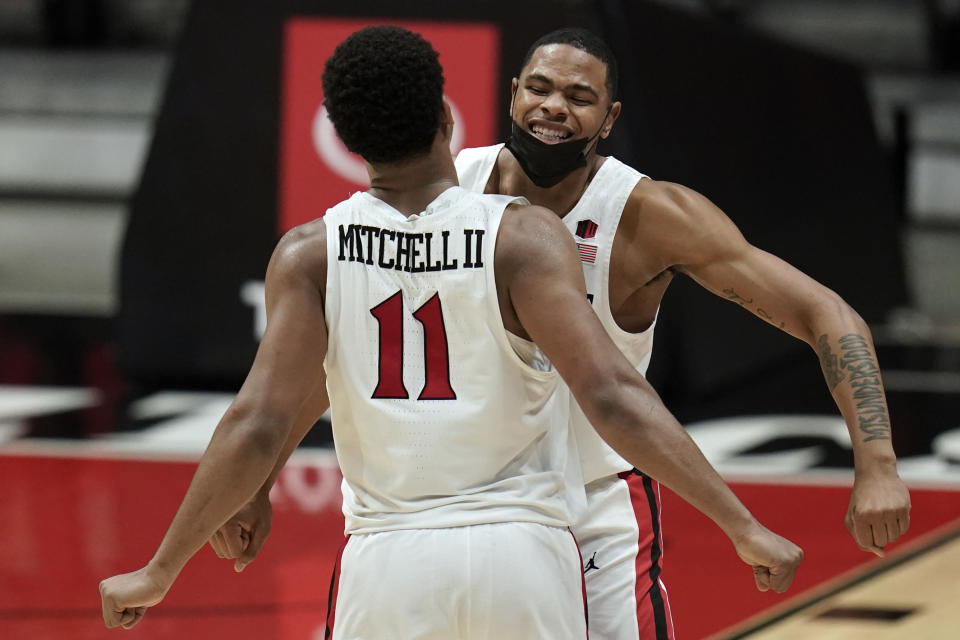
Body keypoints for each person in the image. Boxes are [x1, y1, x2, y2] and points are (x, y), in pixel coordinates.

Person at [99, 26, 803, 636]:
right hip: (523, 552)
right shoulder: (523, 238)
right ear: (445, 115)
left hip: (389, 555)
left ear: (344, 139)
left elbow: (258, 421)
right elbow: (614, 395)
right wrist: (741, 524)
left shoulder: (312, 251)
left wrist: (160, 569)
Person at [451, 27, 912, 639]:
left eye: (579, 97)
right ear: (513, 95)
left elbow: (827, 314)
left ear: (610, 118)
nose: (554, 107)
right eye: (538, 88)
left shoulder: (649, 215)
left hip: (585, 504)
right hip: (455, 498)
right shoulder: (447, 189)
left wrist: (877, 464)